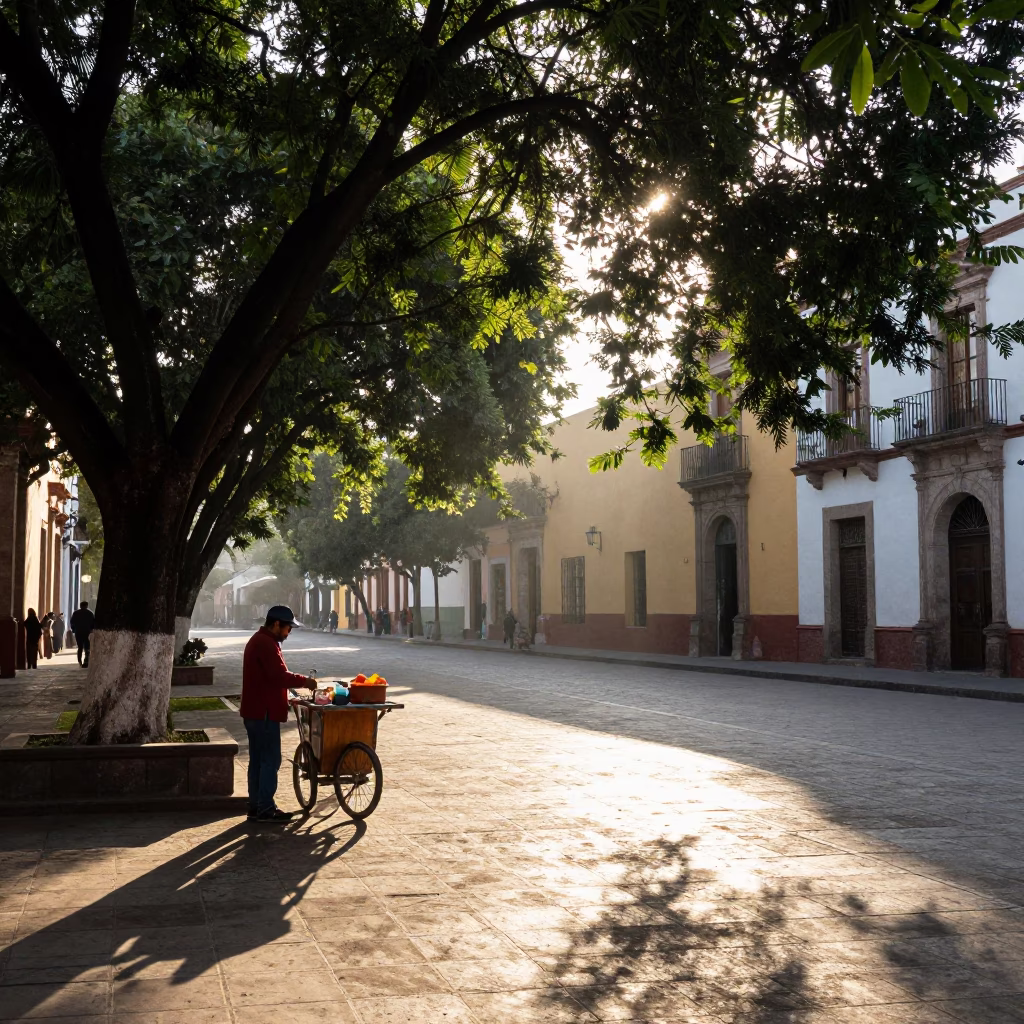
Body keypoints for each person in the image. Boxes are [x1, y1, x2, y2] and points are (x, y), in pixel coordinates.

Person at [240, 605, 315, 823]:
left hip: (255, 710)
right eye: (287, 628)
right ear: (276, 624)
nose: (288, 632)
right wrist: (305, 681)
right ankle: (265, 809)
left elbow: (270, 678)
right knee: (269, 760)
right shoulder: (265, 643)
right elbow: (278, 675)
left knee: (258, 761)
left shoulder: (262, 640)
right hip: (263, 712)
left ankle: (255, 807)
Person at [70, 601, 95, 667]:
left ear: (80, 606)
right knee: (87, 647)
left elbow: (72, 622)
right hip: (87, 632)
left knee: (80, 647)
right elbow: (93, 623)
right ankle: (86, 661)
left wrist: (74, 630)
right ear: (87, 606)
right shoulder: (90, 613)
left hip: (78, 632)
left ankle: (80, 661)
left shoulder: (76, 613)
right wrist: (91, 629)